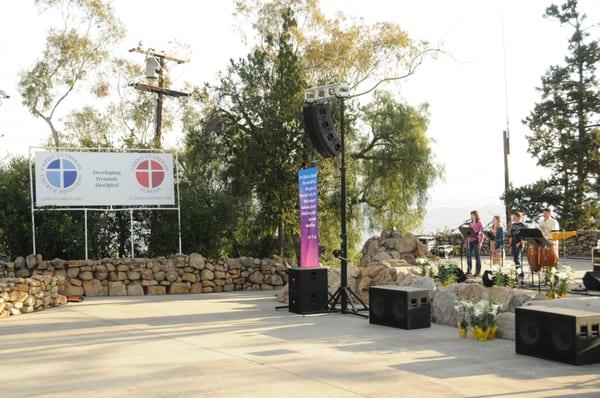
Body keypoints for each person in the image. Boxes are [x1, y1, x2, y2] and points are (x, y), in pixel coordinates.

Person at [466, 210, 484, 277]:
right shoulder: (470, 224)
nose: (471, 216)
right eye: (471, 215)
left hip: (476, 241)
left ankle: (477, 272)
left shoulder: (479, 223)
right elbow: (467, 233)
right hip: (469, 242)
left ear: (476, 216)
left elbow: (482, 234)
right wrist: (466, 242)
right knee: (468, 256)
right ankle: (469, 271)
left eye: (473, 215)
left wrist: (481, 243)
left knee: (477, 257)